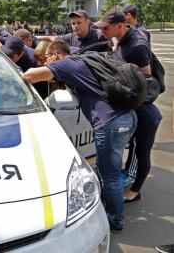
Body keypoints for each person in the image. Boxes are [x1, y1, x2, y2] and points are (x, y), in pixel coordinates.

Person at [22, 40, 137, 232]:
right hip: (128, 117)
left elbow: (30, 76)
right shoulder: (81, 59)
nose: (45, 63)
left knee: (110, 175)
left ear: (56, 54)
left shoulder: (66, 64)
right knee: (108, 170)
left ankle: (114, 221)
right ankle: (108, 210)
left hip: (110, 123)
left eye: (46, 59)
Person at [94, 9, 162, 202]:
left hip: (145, 112)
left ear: (119, 25)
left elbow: (146, 80)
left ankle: (136, 191)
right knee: (129, 147)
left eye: (106, 28)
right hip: (132, 108)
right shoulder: (121, 40)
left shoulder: (137, 45)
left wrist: (121, 91)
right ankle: (128, 178)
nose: (102, 31)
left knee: (141, 153)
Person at [43, 10, 110, 51]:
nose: (75, 26)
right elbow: (52, 38)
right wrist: (34, 38)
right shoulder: (70, 37)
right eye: (73, 23)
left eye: (79, 23)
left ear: (87, 22)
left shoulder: (100, 35)